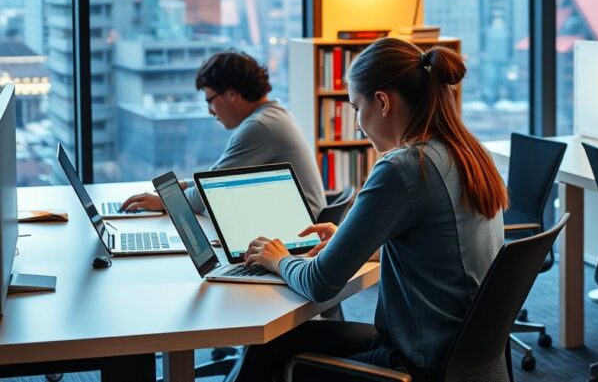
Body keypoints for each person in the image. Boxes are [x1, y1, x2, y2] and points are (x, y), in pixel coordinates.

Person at [237, 37, 508, 381]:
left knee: (269, 347)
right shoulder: (470, 153)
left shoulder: (406, 167)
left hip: (416, 363)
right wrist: (353, 240)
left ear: (381, 102)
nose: (357, 125)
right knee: (277, 345)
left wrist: (278, 258)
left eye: (355, 108)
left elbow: (321, 283)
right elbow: (444, 247)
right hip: (461, 358)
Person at [120, 51, 327, 218]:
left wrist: (166, 202)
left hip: (298, 232)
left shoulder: (259, 126)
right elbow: (217, 177)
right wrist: (186, 184)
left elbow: (211, 193)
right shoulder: (272, 115)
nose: (210, 111)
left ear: (231, 94)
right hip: (293, 221)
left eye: (210, 100)